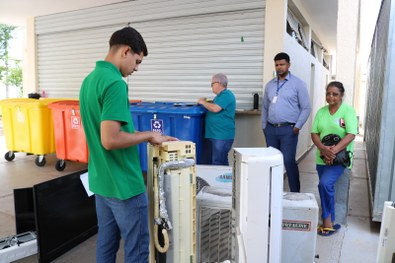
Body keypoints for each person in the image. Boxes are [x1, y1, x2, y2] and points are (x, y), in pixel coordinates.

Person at [79, 27, 177, 263]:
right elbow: (110, 139)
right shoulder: (115, 83)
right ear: (126, 51)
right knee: (137, 250)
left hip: (101, 181)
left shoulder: (89, 80)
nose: (136, 68)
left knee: (106, 243)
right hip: (124, 186)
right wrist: (148, 136)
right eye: (137, 61)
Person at [311, 81, 357, 236]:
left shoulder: (348, 111)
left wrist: (334, 151)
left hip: (340, 159)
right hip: (322, 158)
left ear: (341, 95)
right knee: (322, 187)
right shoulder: (321, 112)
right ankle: (328, 219)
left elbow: (351, 133)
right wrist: (324, 150)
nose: (331, 97)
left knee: (325, 184)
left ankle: (328, 221)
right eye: (328, 93)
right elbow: (314, 133)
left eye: (335, 94)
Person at [261, 52, 311, 192]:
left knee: (288, 161)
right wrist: (264, 126)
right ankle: (272, 192)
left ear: (289, 65)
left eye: (282, 64)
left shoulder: (298, 84)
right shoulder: (270, 85)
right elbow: (265, 107)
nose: (279, 67)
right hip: (271, 129)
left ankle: (295, 193)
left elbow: (306, 107)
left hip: (288, 130)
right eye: (277, 65)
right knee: (271, 162)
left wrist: (297, 126)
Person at [198, 73, 236, 165]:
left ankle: (223, 179)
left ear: (218, 83)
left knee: (218, 162)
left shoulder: (226, 95)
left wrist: (203, 102)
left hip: (221, 136)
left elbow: (215, 108)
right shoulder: (220, 96)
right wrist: (207, 101)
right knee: (217, 161)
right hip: (215, 135)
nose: (211, 86)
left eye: (212, 84)